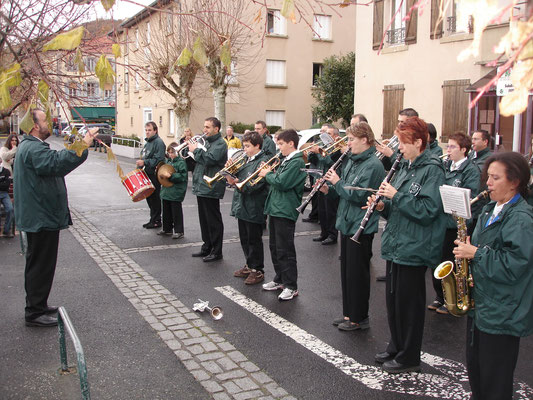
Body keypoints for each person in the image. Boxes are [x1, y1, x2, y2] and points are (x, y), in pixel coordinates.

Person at [453, 152, 533, 400]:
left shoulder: (521, 218)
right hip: (483, 306)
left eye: (495, 178)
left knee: (495, 381)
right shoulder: (490, 209)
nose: (488, 182)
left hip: (502, 311)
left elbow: (514, 265)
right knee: (478, 374)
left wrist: (475, 253)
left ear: (515, 182)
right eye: (488, 176)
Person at [371, 117, 446, 373]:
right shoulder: (406, 166)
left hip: (414, 247)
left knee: (409, 305)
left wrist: (396, 196)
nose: (399, 148)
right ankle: (396, 345)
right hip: (397, 244)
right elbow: (397, 209)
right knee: (393, 301)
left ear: (418, 142)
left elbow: (428, 210)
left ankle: (409, 356)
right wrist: (382, 205)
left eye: (403, 143)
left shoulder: (433, 169)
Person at [14, 109, 97, 327]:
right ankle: (34, 312)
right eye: (45, 121)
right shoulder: (32, 147)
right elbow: (57, 163)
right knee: (40, 265)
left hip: (40, 216)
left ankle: (38, 304)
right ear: (34, 126)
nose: (49, 123)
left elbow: (55, 162)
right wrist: (83, 145)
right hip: (40, 217)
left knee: (40, 264)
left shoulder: (30, 146)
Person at [322, 122, 385, 330]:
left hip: (361, 225)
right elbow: (342, 192)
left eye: (351, 140)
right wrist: (327, 188)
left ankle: (360, 317)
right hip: (346, 222)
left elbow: (358, 195)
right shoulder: (351, 160)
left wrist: (337, 181)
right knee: (347, 273)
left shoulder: (373, 165)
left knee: (358, 275)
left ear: (365, 140)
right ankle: (349, 314)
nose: (347, 144)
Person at [428, 132, 479, 314]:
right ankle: (439, 295)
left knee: (451, 260)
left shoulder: (471, 170)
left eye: (451, 147)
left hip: (455, 224)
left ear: (463, 150)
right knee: (438, 258)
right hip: (441, 221)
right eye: (447, 146)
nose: (447, 150)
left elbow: (470, 195)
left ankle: (452, 298)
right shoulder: (445, 166)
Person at [258, 129, 306, 301]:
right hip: (276, 208)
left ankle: (291, 285)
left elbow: (282, 182)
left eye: (281, 144)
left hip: (285, 210)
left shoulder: (297, 162)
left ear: (291, 143)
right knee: (275, 247)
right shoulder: (286, 160)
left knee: (285, 249)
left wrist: (267, 174)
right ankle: (280, 279)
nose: (278, 148)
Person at [228, 132, 269, 285]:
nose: (244, 149)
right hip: (242, 205)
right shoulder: (246, 159)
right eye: (244, 146)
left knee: (254, 240)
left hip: (254, 205)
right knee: (245, 238)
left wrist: (239, 184)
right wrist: (229, 174)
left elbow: (256, 185)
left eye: (247, 146)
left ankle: (257, 270)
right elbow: (236, 179)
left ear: (257, 146)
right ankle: (249, 264)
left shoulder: (263, 161)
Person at [189, 117, 228, 262]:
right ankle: (207, 246)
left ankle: (216, 251)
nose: (204, 130)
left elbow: (210, 159)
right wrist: (191, 152)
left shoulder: (220, 144)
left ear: (216, 129)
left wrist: (196, 151)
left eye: (208, 127)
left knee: (213, 220)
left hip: (211, 186)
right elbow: (199, 161)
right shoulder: (205, 142)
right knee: (204, 219)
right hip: (201, 185)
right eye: (204, 126)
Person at [307, 125, 342, 245]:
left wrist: (323, 154)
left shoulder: (338, 149)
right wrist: (312, 152)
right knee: (322, 210)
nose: (326, 136)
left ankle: (332, 235)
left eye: (329, 134)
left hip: (331, 183)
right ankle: (324, 233)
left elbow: (334, 163)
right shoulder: (324, 147)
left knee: (330, 211)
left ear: (336, 136)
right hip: (321, 181)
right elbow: (314, 161)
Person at [137, 122, 165, 229]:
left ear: (155, 130)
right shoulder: (148, 143)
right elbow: (144, 156)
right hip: (146, 173)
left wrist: (145, 162)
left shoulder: (158, 142)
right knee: (149, 197)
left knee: (155, 198)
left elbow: (159, 159)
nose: (147, 132)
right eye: (146, 130)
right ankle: (152, 219)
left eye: (149, 130)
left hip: (154, 174)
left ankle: (157, 220)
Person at [158, 143, 188, 239]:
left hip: (176, 190)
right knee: (166, 210)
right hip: (167, 190)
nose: (171, 155)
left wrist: (171, 176)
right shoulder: (168, 161)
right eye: (169, 152)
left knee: (176, 212)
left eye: (173, 152)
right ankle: (167, 229)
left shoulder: (181, 163)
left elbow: (183, 177)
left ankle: (179, 231)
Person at [469, 129, 493, 233]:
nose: (472, 142)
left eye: (476, 139)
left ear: (485, 142)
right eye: (472, 139)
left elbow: (478, 174)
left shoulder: (489, 158)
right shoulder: (471, 155)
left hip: (479, 206)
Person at [0, 164, 13, 238]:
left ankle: (7, 230)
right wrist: (2, 183)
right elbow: (4, 184)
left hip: (4, 193)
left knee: (10, 209)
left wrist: (2, 185)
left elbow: (7, 184)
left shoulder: (6, 171)